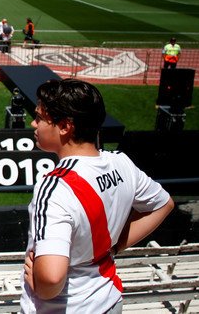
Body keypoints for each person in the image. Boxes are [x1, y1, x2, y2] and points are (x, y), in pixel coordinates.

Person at [20, 79, 174, 314]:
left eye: (40, 117)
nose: (34, 123)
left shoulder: (54, 187)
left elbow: (51, 279)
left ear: (64, 126)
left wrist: (40, 287)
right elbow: (164, 204)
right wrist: (112, 248)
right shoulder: (121, 163)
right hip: (109, 300)